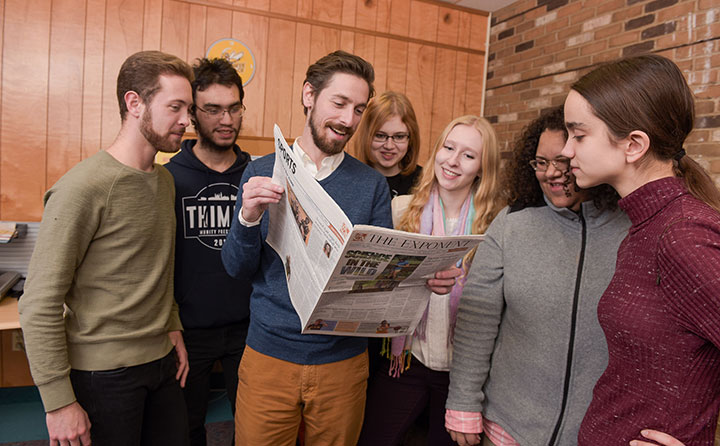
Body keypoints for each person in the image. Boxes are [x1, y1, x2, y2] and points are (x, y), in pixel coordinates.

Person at [221, 50, 459, 446]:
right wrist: (247, 217)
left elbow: (384, 281)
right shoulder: (262, 170)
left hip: (343, 364)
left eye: (359, 108)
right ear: (309, 95)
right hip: (269, 357)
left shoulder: (370, 185)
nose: (349, 120)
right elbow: (236, 268)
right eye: (339, 103)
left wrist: (423, 277)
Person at [18, 50, 194, 445]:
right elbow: (39, 302)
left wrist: (172, 324)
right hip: (103, 377)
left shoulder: (164, 181)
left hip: (161, 364)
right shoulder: (83, 188)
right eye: (176, 107)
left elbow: (157, 269)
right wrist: (59, 402)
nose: (186, 120)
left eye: (189, 108)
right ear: (135, 103)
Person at [444, 107, 628, 446]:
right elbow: (477, 320)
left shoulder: (631, 229)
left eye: (562, 161)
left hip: (596, 433)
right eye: (541, 162)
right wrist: (463, 402)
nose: (551, 173)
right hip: (507, 428)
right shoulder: (512, 223)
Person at [561, 55, 720, 446]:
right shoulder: (647, 224)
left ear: (634, 144)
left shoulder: (682, 235)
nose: (566, 150)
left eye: (578, 135)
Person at [358, 115, 505, 446]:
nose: (452, 161)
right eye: (448, 147)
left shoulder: (497, 223)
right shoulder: (401, 209)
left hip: (464, 373)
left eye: (468, 155)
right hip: (406, 360)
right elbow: (376, 286)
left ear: (483, 167)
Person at [165, 57, 252, 446]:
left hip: (250, 327)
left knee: (253, 429)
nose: (226, 119)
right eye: (213, 110)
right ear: (194, 115)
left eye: (234, 108)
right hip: (188, 331)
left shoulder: (259, 173)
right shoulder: (169, 177)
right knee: (185, 430)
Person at [352, 91, 423, 197]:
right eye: (380, 136)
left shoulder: (424, 182)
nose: (389, 146)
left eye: (399, 137)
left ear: (411, 138)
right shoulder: (350, 178)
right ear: (366, 136)